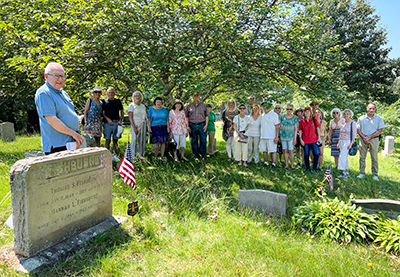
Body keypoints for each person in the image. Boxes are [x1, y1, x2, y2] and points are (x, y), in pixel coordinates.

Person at [35, 62, 84, 154]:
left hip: (70, 143)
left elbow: (67, 114)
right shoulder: (44, 93)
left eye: (62, 76)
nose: (60, 79)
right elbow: (52, 120)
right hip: (57, 146)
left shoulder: (63, 93)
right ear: (46, 76)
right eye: (56, 76)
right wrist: (74, 134)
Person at [357, 103, 385, 181]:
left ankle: (375, 174)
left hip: (374, 139)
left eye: (373, 108)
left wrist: (370, 137)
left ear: (375, 109)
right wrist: (364, 138)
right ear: (367, 109)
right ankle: (362, 173)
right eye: (370, 108)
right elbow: (358, 129)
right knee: (362, 157)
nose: (371, 110)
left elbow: (380, 130)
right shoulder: (361, 118)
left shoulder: (379, 118)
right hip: (363, 139)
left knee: (374, 157)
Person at [102, 88, 124, 161]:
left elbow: (122, 111)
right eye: (109, 92)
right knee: (107, 140)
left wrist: (120, 120)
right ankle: (106, 155)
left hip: (116, 123)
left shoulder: (117, 101)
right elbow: (102, 113)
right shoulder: (104, 102)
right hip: (107, 123)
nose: (111, 94)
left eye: (112, 92)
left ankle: (115, 155)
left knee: (115, 140)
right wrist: (108, 119)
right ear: (107, 93)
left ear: (114, 94)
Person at [185, 93, 209, 159]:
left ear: (199, 97)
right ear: (192, 97)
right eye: (194, 96)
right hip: (192, 125)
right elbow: (186, 116)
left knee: (203, 140)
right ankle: (196, 154)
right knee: (193, 140)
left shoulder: (203, 105)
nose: (196, 98)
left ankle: (203, 154)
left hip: (202, 125)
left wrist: (206, 125)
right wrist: (188, 126)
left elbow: (207, 115)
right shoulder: (189, 106)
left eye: (197, 96)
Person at [299, 107, 321, 173]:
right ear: (304, 113)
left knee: (316, 154)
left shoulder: (314, 120)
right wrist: (300, 139)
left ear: (310, 113)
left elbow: (318, 129)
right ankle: (307, 168)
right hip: (305, 141)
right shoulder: (302, 121)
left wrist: (319, 137)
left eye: (308, 111)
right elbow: (300, 131)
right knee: (306, 154)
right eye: (306, 112)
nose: (307, 113)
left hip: (314, 140)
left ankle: (314, 168)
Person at [260, 101, 280, 169]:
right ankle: (266, 163)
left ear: (269, 106)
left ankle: (273, 164)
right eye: (263, 106)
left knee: (273, 151)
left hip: (272, 136)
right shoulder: (262, 115)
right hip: (263, 136)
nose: (265, 107)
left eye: (266, 106)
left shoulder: (274, 115)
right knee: (264, 150)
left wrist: (276, 137)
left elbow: (277, 126)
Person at [337, 109, 357, 178]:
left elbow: (354, 135)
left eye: (347, 114)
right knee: (344, 157)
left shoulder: (353, 123)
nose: (346, 115)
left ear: (350, 115)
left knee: (342, 156)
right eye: (345, 114)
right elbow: (340, 133)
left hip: (348, 141)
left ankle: (343, 172)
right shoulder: (343, 123)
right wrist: (338, 142)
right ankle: (347, 172)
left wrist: (351, 143)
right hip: (342, 141)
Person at [127, 91, 147, 159]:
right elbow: (130, 117)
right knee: (134, 140)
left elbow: (145, 116)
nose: (138, 97)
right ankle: (132, 155)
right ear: (133, 97)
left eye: (139, 96)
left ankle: (141, 155)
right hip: (135, 124)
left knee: (142, 141)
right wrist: (134, 127)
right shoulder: (131, 105)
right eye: (136, 96)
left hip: (143, 124)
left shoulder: (143, 106)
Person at [279, 104, 297, 169]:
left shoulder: (294, 117)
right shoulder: (282, 117)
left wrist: (295, 138)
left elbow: (295, 129)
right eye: (287, 109)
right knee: (285, 151)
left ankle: (292, 165)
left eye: (290, 109)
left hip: (291, 137)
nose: (289, 110)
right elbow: (279, 126)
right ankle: (286, 165)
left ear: (292, 110)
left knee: (291, 151)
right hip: (283, 136)